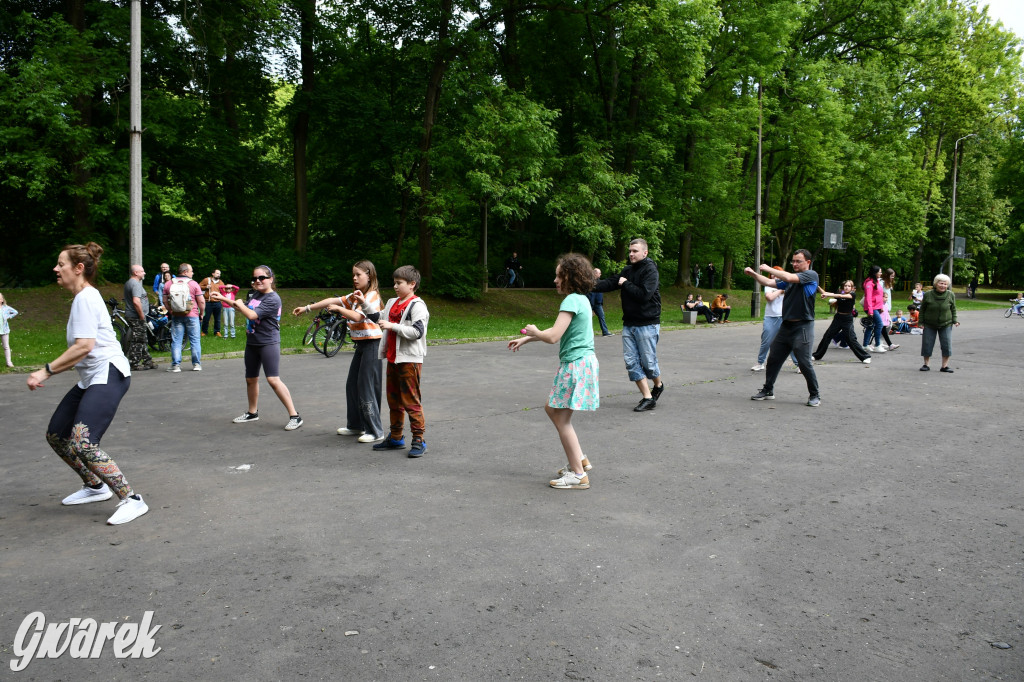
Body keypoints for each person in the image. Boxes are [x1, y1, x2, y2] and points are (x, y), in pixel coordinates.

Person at [25, 243, 148, 525]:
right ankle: (95, 486)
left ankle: (132, 499)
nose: (56, 269)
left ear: (78, 268)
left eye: (61, 264)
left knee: (83, 442)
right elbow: (81, 351)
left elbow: (84, 347)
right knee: (57, 434)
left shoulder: (86, 298)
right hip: (91, 378)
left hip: (109, 373)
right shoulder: (83, 298)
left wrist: (45, 372)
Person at [508, 253, 599, 490]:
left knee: (561, 417)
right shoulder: (582, 300)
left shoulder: (570, 301)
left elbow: (552, 336)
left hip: (575, 364)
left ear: (570, 276)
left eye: (559, 275)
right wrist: (527, 339)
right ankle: (580, 460)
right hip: (583, 362)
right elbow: (559, 329)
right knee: (554, 410)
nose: (555, 280)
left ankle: (578, 474)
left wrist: (534, 330)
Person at [293, 260, 385, 443]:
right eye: (353, 274)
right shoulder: (356, 295)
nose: (355, 278)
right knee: (352, 385)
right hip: (361, 344)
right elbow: (331, 300)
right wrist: (307, 308)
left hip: (373, 345)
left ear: (370, 275)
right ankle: (356, 425)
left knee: (366, 386)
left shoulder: (371, 295)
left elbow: (359, 316)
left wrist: (340, 309)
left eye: (358, 274)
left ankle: (375, 430)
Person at [212, 265, 302, 430]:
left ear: (271, 279)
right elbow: (243, 307)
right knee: (251, 379)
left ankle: (295, 415)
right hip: (252, 341)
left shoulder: (273, 299)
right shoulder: (256, 295)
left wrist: (238, 303)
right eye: (254, 278)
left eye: (262, 278)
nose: (257, 281)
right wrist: (224, 299)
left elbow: (251, 314)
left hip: (268, 342)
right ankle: (252, 413)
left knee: (273, 380)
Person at [361, 265, 431, 457]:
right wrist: (364, 304)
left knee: (411, 401)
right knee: (394, 401)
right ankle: (396, 437)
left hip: (410, 361)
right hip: (393, 358)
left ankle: (418, 439)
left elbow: (417, 332)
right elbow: (378, 318)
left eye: (399, 283)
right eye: (394, 282)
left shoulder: (417, 306)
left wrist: (392, 326)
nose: (395, 286)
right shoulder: (393, 302)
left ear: (412, 284)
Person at [592, 238, 664, 411]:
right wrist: (587, 285)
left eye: (635, 251)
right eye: (630, 251)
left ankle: (658, 385)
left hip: (647, 323)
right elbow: (609, 283)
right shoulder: (627, 270)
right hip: (629, 324)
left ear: (645, 253)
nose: (631, 254)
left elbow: (644, 295)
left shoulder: (650, 270)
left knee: (648, 362)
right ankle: (647, 398)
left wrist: (626, 283)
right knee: (631, 362)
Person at [744, 249, 821, 406]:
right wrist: (753, 273)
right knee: (773, 359)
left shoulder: (811, 275)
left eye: (798, 261)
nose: (794, 264)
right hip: (786, 326)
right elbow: (768, 282)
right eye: (793, 261)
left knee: (804, 362)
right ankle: (768, 390)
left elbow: (787, 276)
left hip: (803, 326)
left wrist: (768, 268)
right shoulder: (789, 282)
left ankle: (815, 395)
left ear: (808, 262)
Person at [811, 280, 872, 364]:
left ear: (852, 288)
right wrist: (816, 286)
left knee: (851, 339)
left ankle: (865, 357)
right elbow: (826, 292)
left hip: (847, 319)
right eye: (845, 286)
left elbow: (838, 295)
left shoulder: (852, 295)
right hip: (838, 318)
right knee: (827, 336)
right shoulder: (841, 293)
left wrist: (827, 295)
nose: (846, 287)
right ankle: (817, 355)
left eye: (849, 286)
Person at [164, 263, 205, 372]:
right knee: (195, 340)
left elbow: (164, 301)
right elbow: (201, 301)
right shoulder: (193, 284)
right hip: (192, 315)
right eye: (191, 271)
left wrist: (171, 311)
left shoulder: (169, 283)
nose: (193, 273)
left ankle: (176, 365)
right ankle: (196, 364)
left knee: (177, 340)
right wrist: (201, 313)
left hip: (177, 316)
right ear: (185, 272)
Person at [919, 273, 959, 372]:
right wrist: (921, 322)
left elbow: (953, 308)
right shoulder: (928, 294)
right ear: (936, 284)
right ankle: (926, 364)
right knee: (927, 343)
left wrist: (955, 320)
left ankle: (944, 366)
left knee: (946, 344)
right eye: (941, 283)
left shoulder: (950, 295)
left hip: (946, 323)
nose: (943, 286)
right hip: (929, 324)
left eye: (945, 284)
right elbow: (922, 309)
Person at [123, 264, 157, 371]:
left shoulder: (129, 283)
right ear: (135, 273)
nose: (144, 273)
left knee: (142, 338)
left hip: (133, 315)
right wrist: (142, 315)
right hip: (136, 316)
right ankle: (133, 362)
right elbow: (136, 301)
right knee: (138, 340)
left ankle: (148, 361)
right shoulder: (135, 284)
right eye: (142, 271)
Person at [752, 272, 785, 371]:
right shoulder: (769, 286)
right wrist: (780, 290)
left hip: (784, 316)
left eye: (777, 274)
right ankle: (760, 362)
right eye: (772, 275)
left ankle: (798, 364)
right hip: (770, 317)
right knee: (766, 341)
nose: (774, 276)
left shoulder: (788, 285)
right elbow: (769, 298)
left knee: (790, 341)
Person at [861, 265, 886, 352]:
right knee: (879, 324)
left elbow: (879, 295)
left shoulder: (876, 282)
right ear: (875, 273)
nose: (881, 273)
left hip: (877, 307)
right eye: (880, 272)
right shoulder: (869, 283)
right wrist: (870, 310)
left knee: (871, 325)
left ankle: (865, 345)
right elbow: (868, 297)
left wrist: (881, 306)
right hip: (871, 307)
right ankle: (877, 345)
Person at [587, 268, 612, 336]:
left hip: (598, 304)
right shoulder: (590, 282)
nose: (600, 274)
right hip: (590, 303)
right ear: (595, 273)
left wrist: (601, 302)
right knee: (587, 318)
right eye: (599, 273)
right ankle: (588, 333)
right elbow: (590, 295)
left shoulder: (600, 282)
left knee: (602, 317)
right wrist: (591, 307)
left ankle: (605, 332)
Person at [879, 268, 900, 351]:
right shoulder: (881, 283)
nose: (892, 278)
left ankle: (880, 342)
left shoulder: (888, 283)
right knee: (886, 325)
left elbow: (888, 296)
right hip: (882, 307)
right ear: (887, 275)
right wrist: (882, 306)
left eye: (893, 276)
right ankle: (882, 343)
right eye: (891, 276)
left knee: (885, 326)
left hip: (886, 306)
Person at [200, 268, 223, 337]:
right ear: (213, 274)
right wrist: (206, 287)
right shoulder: (207, 280)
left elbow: (223, 292)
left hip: (217, 303)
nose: (219, 275)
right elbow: (198, 286)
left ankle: (217, 331)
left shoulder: (221, 282)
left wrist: (221, 301)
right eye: (217, 273)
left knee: (218, 319)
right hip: (208, 302)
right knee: (206, 318)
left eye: (219, 274)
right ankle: (204, 331)